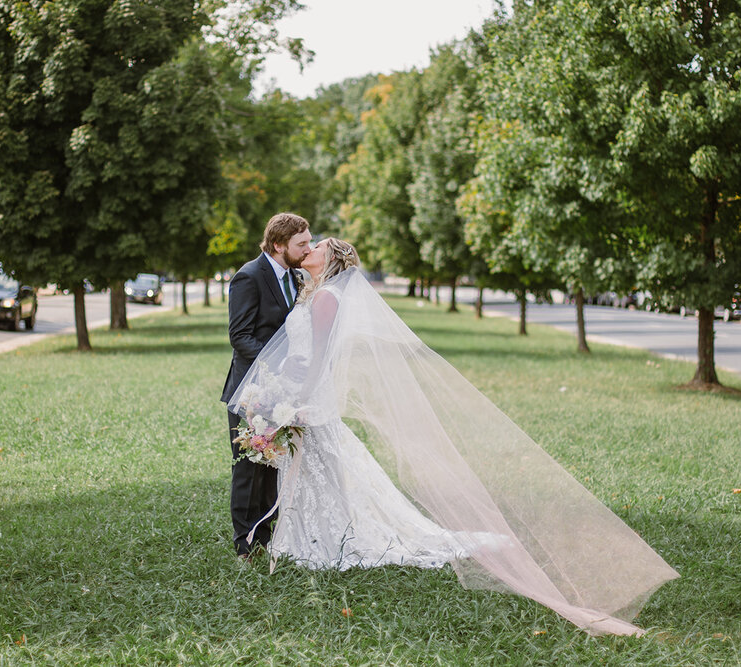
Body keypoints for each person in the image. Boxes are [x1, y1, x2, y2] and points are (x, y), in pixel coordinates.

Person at [228, 238, 679, 636]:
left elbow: (322, 358)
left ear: (332, 259)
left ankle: (324, 540)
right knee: (318, 470)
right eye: (307, 244)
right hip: (299, 395)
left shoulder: (325, 298)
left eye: (318, 245)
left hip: (310, 398)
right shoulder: (313, 292)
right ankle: (304, 536)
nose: (310, 249)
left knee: (323, 469)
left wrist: (299, 399)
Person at [221, 212, 312, 559]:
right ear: (278, 244)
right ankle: (244, 544)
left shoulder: (297, 277)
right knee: (248, 467)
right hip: (251, 390)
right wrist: (279, 364)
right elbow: (239, 336)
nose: (307, 248)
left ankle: (266, 537)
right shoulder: (249, 276)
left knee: (273, 467)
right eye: (301, 243)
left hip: (284, 392)